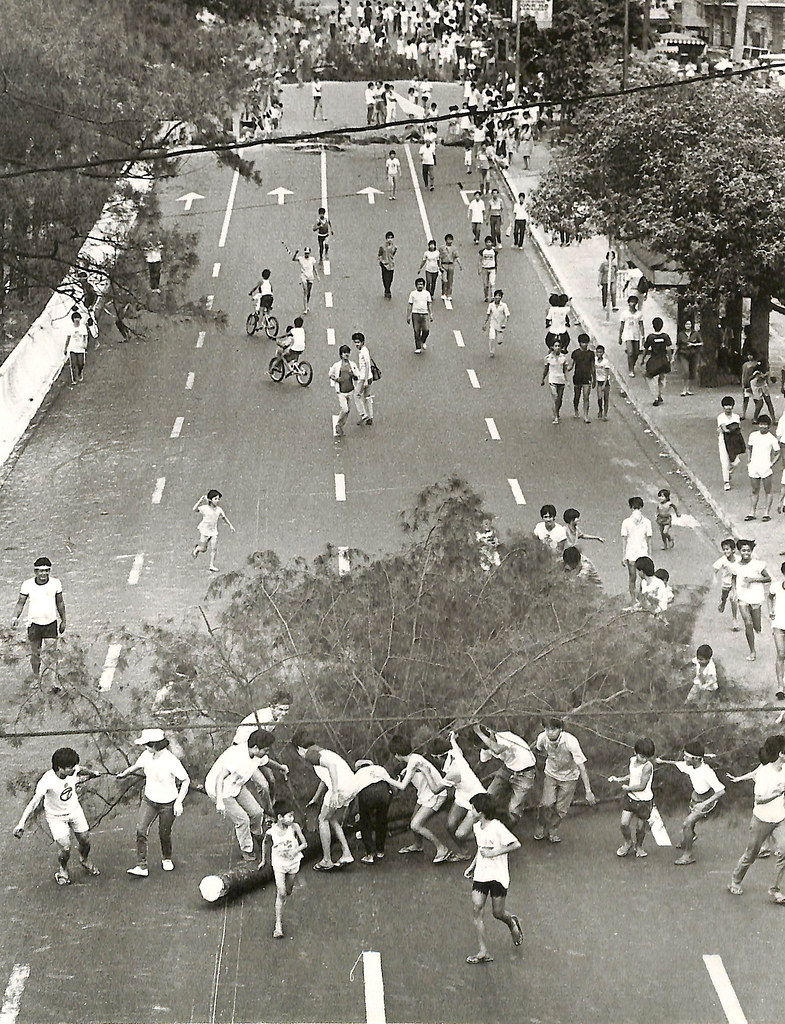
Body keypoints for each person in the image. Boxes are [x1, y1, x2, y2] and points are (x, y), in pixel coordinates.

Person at [13, 747, 101, 885]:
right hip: (56, 817)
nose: (74, 769)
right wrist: (21, 823)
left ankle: (84, 860)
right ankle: (63, 870)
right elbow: (34, 803)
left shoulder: (72, 770)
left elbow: (80, 769)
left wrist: (93, 773)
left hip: (74, 811)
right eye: (70, 767)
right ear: (60, 768)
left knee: (85, 840)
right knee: (65, 847)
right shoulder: (47, 781)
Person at [117, 728, 190, 877]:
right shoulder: (146, 755)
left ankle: (167, 857)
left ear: (155, 745)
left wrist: (179, 802)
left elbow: (185, 780)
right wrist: (124, 773)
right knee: (141, 830)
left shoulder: (171, 761)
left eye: (147, 744)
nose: (145, 747)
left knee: (164, 833)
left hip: (168, 803)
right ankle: (141, 866)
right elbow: (137, 766)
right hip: (149, 800)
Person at [206, 730, 286, 860]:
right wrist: (220, 801)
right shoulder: (237, 756)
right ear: (255, 748)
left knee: (257, 812)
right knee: (242, 819)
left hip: (236, 785)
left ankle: (256, 836)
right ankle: (247, 849)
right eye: (265, 750)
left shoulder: (256, 754)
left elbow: (266, 762)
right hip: (220, 790)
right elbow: (220, 778)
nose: (267, 752)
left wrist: (281, 768)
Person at [463, 794, 523, 965]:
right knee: (477, 908)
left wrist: (492, 853)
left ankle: (512, 922)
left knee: (497, 913)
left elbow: (515, 844)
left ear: (480, 811)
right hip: (481, 874)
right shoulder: (476, 827)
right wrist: (472, 866)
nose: (471, 811)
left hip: (497, 875)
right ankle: (483, 951)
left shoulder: (497, 827)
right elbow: (480, 848)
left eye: (473, 808)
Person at [728, 735, 785, 899]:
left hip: (780, 819)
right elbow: (759, 800)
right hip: (761, 820)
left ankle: (775, 889)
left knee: (784, 851)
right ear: (780, 754)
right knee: (751, 854)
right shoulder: (764, 774)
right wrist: (778, 793)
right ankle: (735, 880)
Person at [390, 735, 463, 863]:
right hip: (424, 795)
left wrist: (385, 776)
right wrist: (406, 772)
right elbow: (413, 770)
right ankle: (418, 845)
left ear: (396, 755)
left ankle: (442, 848)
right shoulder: (414, 759)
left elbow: (402, 786)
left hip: (435, 795)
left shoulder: (414, 761)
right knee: (413, 819)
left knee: (415, 825)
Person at [656, 741, 725, 866]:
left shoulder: (707, 772)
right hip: (695, 797)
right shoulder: (690, 765)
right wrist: (662, 762)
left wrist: (704, 804)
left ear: (696, 759)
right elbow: (678, 763)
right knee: (690, 822)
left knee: (686, 824)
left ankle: (688, 855)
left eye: (687, 756)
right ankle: (689, 838)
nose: (684, 758)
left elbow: (721, 791)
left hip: (706, 800)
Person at [298, 739, 357, 870]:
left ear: (300, 748)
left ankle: (326, 860)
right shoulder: (322, 752)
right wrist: (315, 798)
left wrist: (335, 792)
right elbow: (325, 778)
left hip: (340, 789)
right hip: (352, 786)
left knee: (322, 819)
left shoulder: (310, 754)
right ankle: (347, 853)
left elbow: (331, 767)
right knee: (331, 818)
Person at [534, 718, 596, 842]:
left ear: (560, 729)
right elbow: (538, 751)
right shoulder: (542, 738)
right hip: (551, 774)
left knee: (561, 808)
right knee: (546, 803)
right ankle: (541, 825)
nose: (550, 732)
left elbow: (582, 767)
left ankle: (553, 830)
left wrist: (588, 791)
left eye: (553, 729)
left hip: (569, 777)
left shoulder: (571, 742)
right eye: (547, 729)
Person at [11, 556, 66, 680]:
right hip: (34, 624)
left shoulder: (55, 583)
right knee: (35, 654)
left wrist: (64, 620)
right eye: (41, 571)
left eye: (46, 570)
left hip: (50, 623)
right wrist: (15, 617)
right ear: (35, 572)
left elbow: (60, 603)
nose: (44, 573)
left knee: (52, 654)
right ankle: (36, 678)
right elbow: (21, 603)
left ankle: (52, 680)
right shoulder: (27, 584)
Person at [260, 801, 308, 937]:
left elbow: (304, 843)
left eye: (292, 816)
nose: (292, 819)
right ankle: (278, 925)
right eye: (289, 816)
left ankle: (286, 892)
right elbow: (265, 843)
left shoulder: (294, 828)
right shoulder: (271, 832)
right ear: (280, 817)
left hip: (293, 863)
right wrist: (264, 860)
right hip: (279, 865)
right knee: (281, 893)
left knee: (288, 891)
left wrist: (295, 851)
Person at [472, 724, 536, 825]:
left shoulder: (505, 737)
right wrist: (472, 777)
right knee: (489, 796)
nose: (485, 749)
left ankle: (507, 831)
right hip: (507, 769)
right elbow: (482, 764)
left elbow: (497, 749)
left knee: (514, 809)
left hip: (525, 773)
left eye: (485, 745)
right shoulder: (485, 746)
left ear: (489, 735)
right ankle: (488, 823)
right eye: (483, 747)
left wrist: (479, 732)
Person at [351, 758, 406, 863]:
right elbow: (391, 783)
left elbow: (354, 795)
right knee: (382, 820)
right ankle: (380, 851)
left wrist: (357, 812)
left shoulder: (357, 774)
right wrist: (392, 795)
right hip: (383, 791)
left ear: (358, 768)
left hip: (367, 793)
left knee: (365, 823)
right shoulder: (379, 768)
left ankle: (370, 854)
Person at [609, 737, 656, 858]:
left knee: (640, 828)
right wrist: (619, 779)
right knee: (624, 824)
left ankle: (639, 846)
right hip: (631, 798)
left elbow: (642, 786)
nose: (644, 759)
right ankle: (628, 842)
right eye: (642, 756)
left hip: (644, 801)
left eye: (647, 757)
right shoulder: (632, 760)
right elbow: (633, 774)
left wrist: (627, 788)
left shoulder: (647, 767)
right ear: (635, 752)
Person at [731, 539, 771, 661]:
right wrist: (734, 592)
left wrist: (753, 580)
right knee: (747, 623)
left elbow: (768, 578)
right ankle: (752, 651)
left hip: (755, 597)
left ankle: (757, 626)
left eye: (748, 550)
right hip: (742, 597)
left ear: (751, 551)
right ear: (740, 551)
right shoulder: (735, 566)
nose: (746, 553)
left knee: (757, 627)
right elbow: (733, 579)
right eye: (743, 550)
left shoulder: (758, 565)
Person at [745, 414, 780, 521]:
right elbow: (749, 448)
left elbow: (778, 453)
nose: (763, 427)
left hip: (765, 467)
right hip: (754, 466)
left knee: (768, 490)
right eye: (761, 424)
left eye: (765, 425)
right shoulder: (753, 435)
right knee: (754, 490)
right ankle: (752, 512)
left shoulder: (772, 439)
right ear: (758, 425)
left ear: (768, 426)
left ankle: (766, 513)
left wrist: (771, 464)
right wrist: (749, 460)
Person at [192, 489, 235, 572]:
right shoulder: (204, 508)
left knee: (214, 548)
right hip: (205, 531)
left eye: (218, 499)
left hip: (213, 531)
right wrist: (200, 500)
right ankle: (197, 549)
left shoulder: (219, 510)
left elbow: (224, 518)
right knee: (203, 549)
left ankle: (211, 565)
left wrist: (231, 526)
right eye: (215, 499)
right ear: (210, 500)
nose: (217, 501)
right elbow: (194, 509)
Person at [621, 497, 652, 604]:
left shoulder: (647, 522)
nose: (636, 510)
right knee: (632, 577)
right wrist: (624, 555)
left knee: (644, 578)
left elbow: (649, 540)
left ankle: (641, 598)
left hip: (643, 553)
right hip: (631, 554)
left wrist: (649, 556)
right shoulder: (626, 522)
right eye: (635, 508)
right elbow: (624, 539)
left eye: (638, 508)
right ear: (631, 508)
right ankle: (633, 599)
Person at [329, 345, 360, 438]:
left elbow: (357, 377)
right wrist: (336, 379)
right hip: (341, 392)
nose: (346, 354)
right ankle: (338, 424)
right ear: (341, 354)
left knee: (348, 411)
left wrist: (352, 374)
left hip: (350, 391)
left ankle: (341, 426)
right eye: (344, 352)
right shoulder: (337, 365)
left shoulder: (353, 365)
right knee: (345, 409)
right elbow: (330, 375)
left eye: (348, 352)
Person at [541, 338, 572, 425]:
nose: (557, 348)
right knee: (555, 396)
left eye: (559, 346)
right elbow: (546, 369)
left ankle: (557, 412)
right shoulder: (548, 358)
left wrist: (568, 380)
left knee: (559, 399)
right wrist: (543, 379)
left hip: (561, 380)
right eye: (556, 346)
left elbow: (565, 370)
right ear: (552, 347)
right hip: (552, 379)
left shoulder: (563, 358)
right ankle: (555, 416)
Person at [717, 396, 745, 491]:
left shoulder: (736, 417)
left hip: (734, 440)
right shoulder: (720, 417)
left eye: (730, 405)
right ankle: (726, 482)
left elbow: (737, 428)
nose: (728, 407)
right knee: (724, 461)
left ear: (733, 406)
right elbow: (724, 428)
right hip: (724, 441)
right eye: (726, 405)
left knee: (736, 461)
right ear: (723, 407)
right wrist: (729, 429)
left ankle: (729, 472)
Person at [643, 317, 672, 405]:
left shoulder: (650, 337)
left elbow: (646, 349)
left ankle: (655, 397)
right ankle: (660, 394)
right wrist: (670, 359)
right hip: (663, 359)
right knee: (662, 378)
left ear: (653, 326)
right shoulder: (665, 336)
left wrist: (643, 359)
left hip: (654, 360)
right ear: (662, 325)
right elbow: (669, 349)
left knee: (651, 378)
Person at [713, 538, 740, 631]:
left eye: (727, 549)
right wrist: (714, 578)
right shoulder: (722, 560)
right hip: (726, 582)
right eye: (724, 549)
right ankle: (723, 603)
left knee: (733, 599)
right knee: (724, 597)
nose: (725, 551)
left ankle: (734, 619)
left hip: (736, 583)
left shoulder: (739, 559)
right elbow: (715, 570)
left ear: (733, 550)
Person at [63, 310, 94, 386]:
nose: (77, 320)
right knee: (73, 364)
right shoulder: (70, 328)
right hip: (72, 348)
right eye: (75, 318)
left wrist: (85, 344)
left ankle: (80, 373)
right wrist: (65, 348)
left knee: (81, 363)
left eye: (78, 318)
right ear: (73, 320)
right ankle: (74, 379)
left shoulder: (83, 327)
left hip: (80, 348)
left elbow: (85, 336)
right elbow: (68, 338)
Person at [618, 295, 645, 376]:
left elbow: (641, 325)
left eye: (634, 302)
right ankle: (631, 369)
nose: (632, 304)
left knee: (636, 352)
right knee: (630, 352)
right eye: (631, 302)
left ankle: (632, 364)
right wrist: (620, 336)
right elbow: (622, 325)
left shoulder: (639, 314)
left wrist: (643, 336)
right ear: (628, 303)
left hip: (636, 334)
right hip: (627, 335)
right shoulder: (624, 313)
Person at [571, 333, 595, 423]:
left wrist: (594, 379)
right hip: (577, 377)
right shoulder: (575, 353)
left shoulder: (591, 354)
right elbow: (571, 365)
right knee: (577, 396)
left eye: (586, 343)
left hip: (587, 377)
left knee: (586, 396)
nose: (585, 344)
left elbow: (593, 367)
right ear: (579, 343)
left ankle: (585, 415)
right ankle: (576, 409)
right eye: (583, 343)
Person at [769, 562, 785, 701]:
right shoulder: (776, 586)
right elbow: (770, 596)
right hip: (779, 625)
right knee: (781, 654)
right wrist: (771, 610)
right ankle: (780, 686)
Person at [676, 318, 703, 395]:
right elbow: (678, 345)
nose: (688, 326)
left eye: (689, 324)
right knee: (686, 371)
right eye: (686, 324)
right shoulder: (681, 334)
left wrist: (693, 344)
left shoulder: (696, 334)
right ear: (684, 325)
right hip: (683, 354)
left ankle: (688, 388)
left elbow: (701, 343)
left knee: (692, 372)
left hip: (693, 355)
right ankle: (684, 389)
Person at [352, 331, 374, 426]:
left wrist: (364, 379)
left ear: (362, 342)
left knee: (356, 395)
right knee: (367, 397)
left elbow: (367, 365)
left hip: (364, 378)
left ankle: (363, 414)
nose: (356, 344)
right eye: (355, 342)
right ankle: (370, 416)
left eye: (358, 342)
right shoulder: (365, 351)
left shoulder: (363, 352)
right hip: (369, 377)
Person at [407, 277, 433, 354]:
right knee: (416, 330)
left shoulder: (427, 294)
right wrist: (408, 315)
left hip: (424, 313)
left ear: (424, 285)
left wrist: (431, 314)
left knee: (426, 330)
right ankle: (418, 347)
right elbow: (410, 305)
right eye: (419, 284)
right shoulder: (413, 294)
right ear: (416, 285)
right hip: (415, 314)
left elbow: (429, 304)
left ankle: (423, 340)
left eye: (421, 284)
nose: (420, 286)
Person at [483, 289, 509, 358]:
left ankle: (500, 337)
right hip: (493, 324)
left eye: (499, 296)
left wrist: (504, 324)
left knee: (499, 341)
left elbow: (507, 315)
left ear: (501, 297)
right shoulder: (491, 305)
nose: (497, 298)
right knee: (492, 338)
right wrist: (485, 324)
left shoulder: (504, 306)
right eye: (496, 296)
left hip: (500, 325)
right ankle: (491, 352)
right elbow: (488, 314)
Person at [439, 234, 462, 301]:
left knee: (450, 280)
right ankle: (443, 293)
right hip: (444, 264)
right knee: (444, 280)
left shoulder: (454, 248)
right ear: (445, 240)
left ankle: (449, 294)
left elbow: (457, 257)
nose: (449, 241)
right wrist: (440, 266)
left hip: (451, 265)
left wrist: (460, 264)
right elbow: (440, 257)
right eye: (448, 239)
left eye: (451, 239)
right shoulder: (442, 248)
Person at [594, 344, 612, 420]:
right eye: (597, 352)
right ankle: (600, 409)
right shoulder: (595, 361)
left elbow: (607, 373)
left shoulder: (606, 362)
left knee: (606, 398)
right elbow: (594, 371)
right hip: (599, 381)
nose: (599, 354)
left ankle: (605, 414)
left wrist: (604, 384)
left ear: (603, 353)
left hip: (605, 382)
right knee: (599, 398)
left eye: (600, 352)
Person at [478, 236, 497, 303]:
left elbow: (496, 261)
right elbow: (480, 260)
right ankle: (486, 296)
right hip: (485, 269)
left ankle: (492, 297)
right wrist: (479, 268)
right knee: (485, 284)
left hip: (492, 269)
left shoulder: (494, 251)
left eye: (490, 242)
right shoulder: (482, 251)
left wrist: (495, 269)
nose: (488, 244)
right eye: (487, 242)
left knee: (492, 283)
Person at [378, 231, 397, 299]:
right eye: (388, 237)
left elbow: (393, 254)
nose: (390, 239)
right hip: (384, 264)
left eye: (391, 238)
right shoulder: (382, 247)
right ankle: (387, 290)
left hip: (391, 265)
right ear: (386, 239)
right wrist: (381, 261)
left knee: (390, 279)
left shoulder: (394, 247)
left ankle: (388, 289)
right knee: (385, 278)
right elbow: (379, 254)